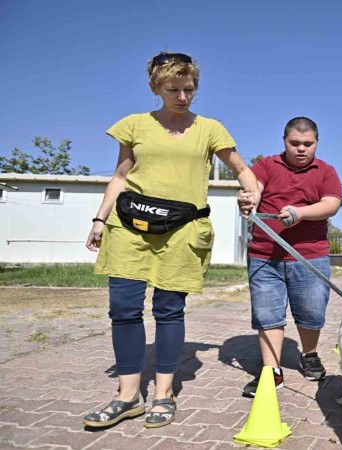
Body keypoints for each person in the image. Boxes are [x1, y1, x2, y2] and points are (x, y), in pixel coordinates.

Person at [83, 51, 259, 428]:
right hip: (130, 225)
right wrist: (100, 218)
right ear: (156, 88)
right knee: (124, 308)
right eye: (173, 89)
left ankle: (163, 394)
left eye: (189, 89)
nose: (182, 96)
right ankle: (127, 396)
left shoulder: (210, 128)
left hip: (182, 231)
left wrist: (251, 194)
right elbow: (119, 176)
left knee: (168, 310)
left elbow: (244, 170)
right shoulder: (134, 125)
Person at [238, 116, 342, 397]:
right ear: (284, 141)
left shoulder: (326, 171)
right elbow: (254, 188)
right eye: (294, 143)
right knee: (267, 313)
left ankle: (309, 354)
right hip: (264, 255)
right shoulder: (267, 164)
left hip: (309, 257)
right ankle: (271, 372)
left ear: (317, 144)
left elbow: (331, 204)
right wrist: (249, 199)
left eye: (307, 144)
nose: (301, 149)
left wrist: (300, 212)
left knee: (311, 312)